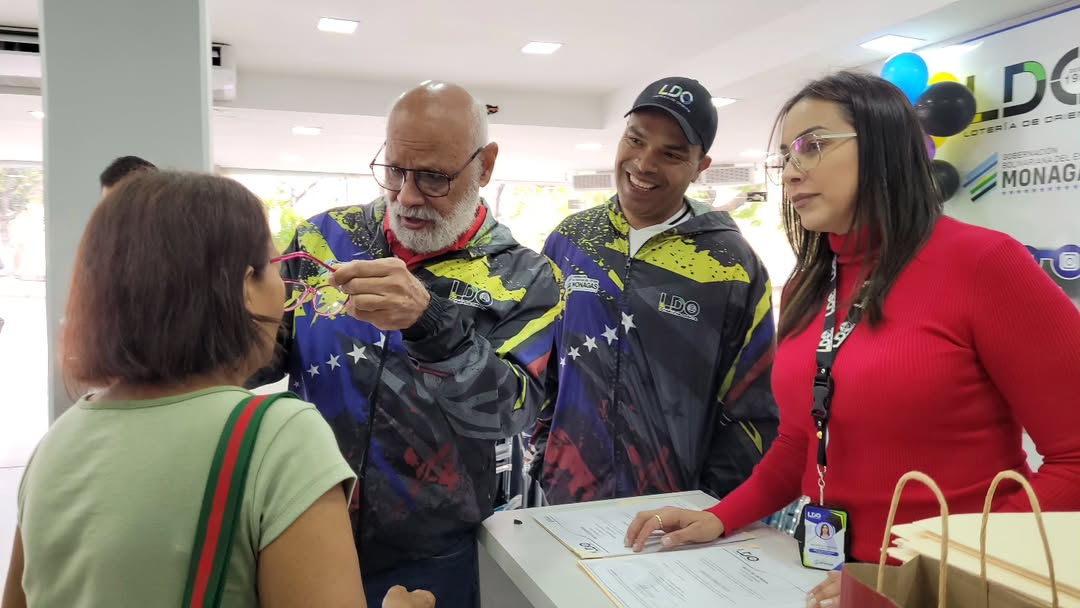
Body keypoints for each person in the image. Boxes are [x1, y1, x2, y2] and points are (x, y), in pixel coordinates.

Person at [625, 71, 1080, 607]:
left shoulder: (985, 264)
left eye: (811, 147)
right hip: (827, 578)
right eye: (787, 158)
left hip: (957, 587)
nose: (792, 174)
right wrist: (719, 516)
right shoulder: (807, 283)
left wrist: (924, 573)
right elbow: (799, 443)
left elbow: (1073, 460)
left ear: (885, 144)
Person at [2, 172, 433, 608]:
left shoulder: (56, 444)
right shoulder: (279, 439)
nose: (286, 288)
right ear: (246, 287)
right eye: (274, 267)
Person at [248, 82, 561, 608]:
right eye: (395, 171)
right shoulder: (323, 239)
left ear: (484, 166)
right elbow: (264, 359)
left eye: (435, 177)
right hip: (303, 527)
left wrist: (430, 322)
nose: (409, 197)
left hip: (434, 553)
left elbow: (512, 413)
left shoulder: (525, 277)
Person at [532, 76, 779, 505]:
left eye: (672, 153)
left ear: (701, 166)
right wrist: (544, 460)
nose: (644, 164)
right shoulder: (570, 242)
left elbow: (751, 407)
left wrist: (709, 504)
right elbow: (539, 366)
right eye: (636, 140)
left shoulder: (732, 267)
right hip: (566, 500)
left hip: (676, 517)